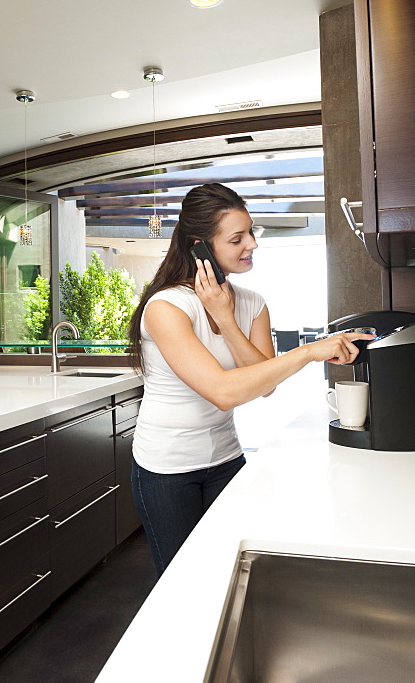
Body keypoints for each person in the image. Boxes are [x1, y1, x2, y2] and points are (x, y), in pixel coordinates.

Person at [127, 183, 372, 576]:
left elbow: (264, 384)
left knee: (229, 572)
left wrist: (225, 317)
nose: (253, 244)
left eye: (251, 232)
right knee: (183, 581)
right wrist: (310, 351)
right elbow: (224, 393)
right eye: (237, 238)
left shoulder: (252, 303)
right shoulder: (166, 307)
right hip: (166, 471)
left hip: (225, 458)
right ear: (200, 247)